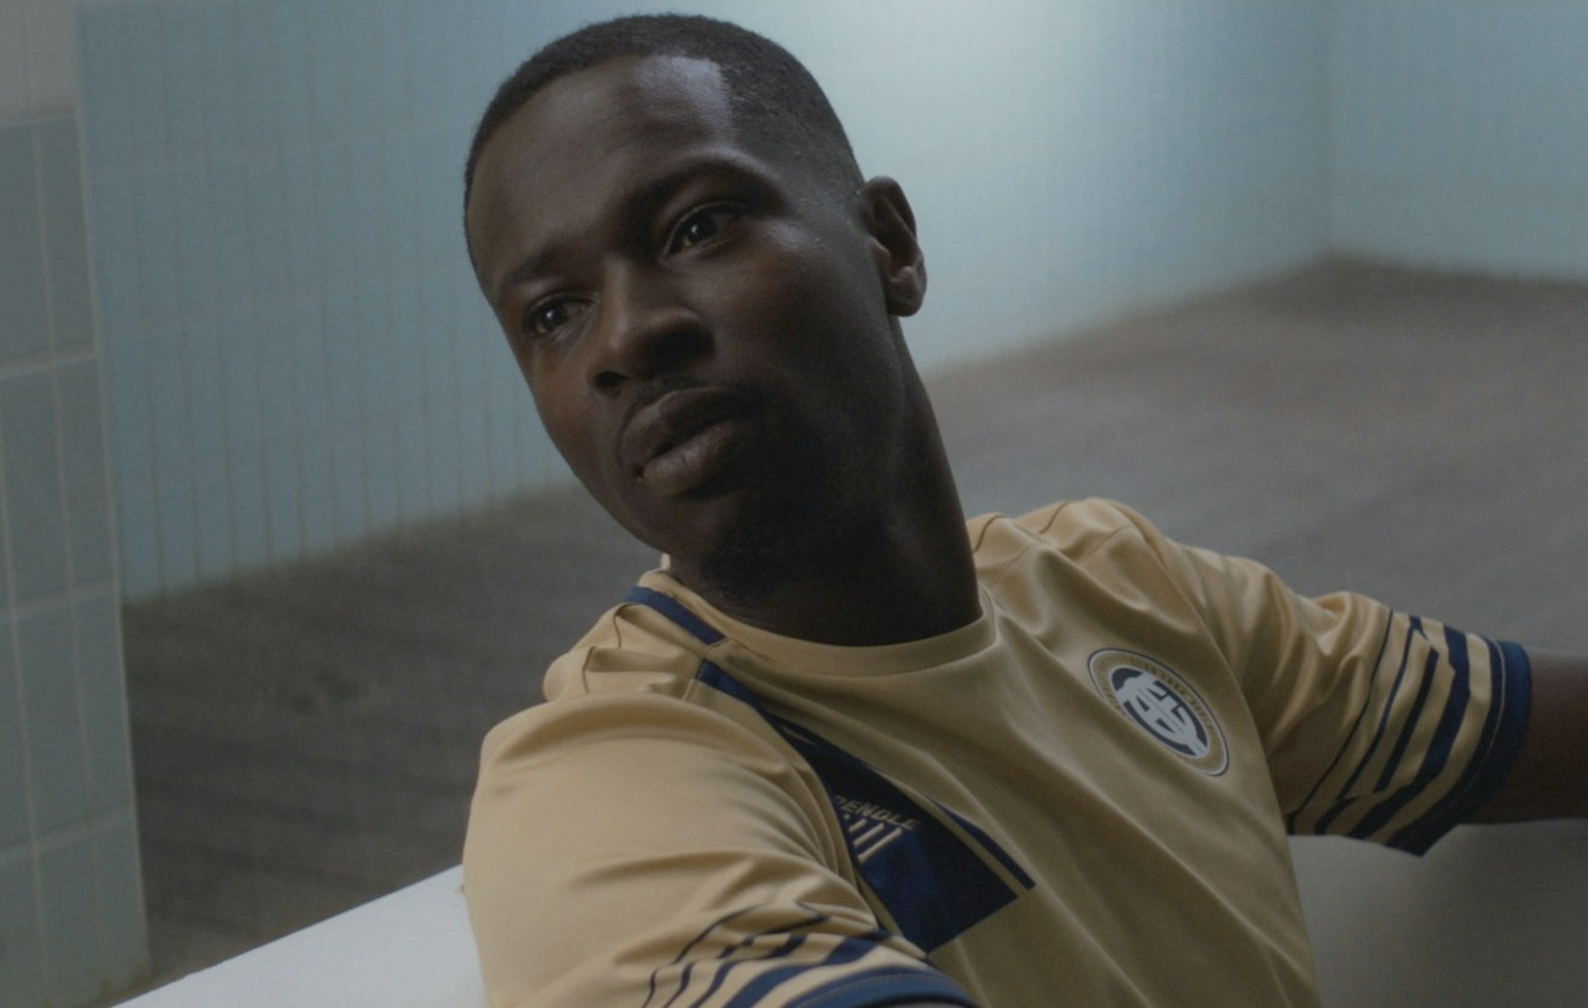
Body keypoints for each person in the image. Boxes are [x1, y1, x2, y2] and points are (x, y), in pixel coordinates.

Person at [458, 14, 1586, 1008]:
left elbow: (1523, 737)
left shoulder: (1127, 589)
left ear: (889, 246)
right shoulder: (608, 778)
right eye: (553, 313)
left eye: (696, 228)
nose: (625, 338)